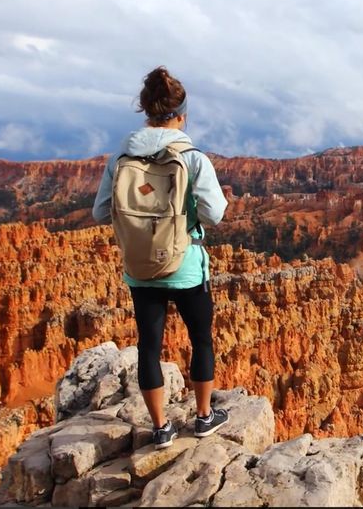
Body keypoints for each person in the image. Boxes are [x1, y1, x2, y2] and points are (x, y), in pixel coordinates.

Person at [92, 66, 229, 449]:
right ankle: (204, 417)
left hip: (140, 268)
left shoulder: (120, 157)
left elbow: (101, 213)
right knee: (201, 339)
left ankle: (160, 428)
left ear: (146, 111)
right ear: (182, 114)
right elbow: (216, 214)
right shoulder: (192, 157)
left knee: (149, 346)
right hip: (185, 265)